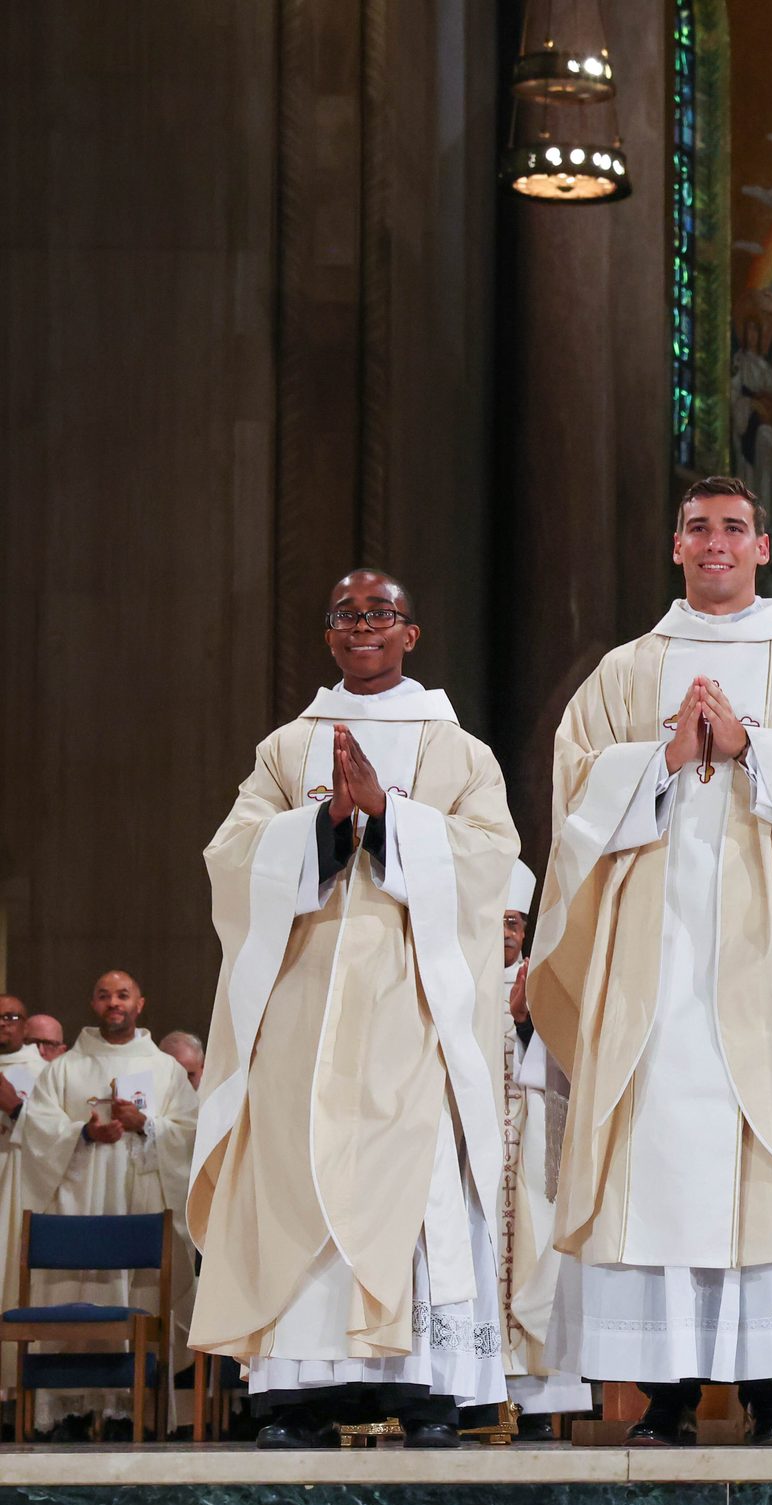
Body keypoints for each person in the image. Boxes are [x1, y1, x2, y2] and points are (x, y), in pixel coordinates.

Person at [530, 476, 772, 1446]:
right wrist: (653, 760)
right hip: (651, 967)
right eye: (698, 529)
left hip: (769, 959)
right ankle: (665, 1397)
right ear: (674, 547)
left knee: (768, 1156)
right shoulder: (622, 672)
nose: (716, 543)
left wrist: (754, 748)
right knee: (654, 1167)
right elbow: (573, 792)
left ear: (764, 547)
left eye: (734, 528)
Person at [188, 570, 518, 1449]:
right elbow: (229, 859)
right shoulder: (286, 749)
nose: (363, 626)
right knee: (294, 1173)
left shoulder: (461, 752)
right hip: (299, 1001)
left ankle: (422, 1388)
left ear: (412, 632)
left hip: (413, 1006)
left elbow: (494, 864)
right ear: (329, 636)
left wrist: (390, 816)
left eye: (381, 613)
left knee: (412, 1184)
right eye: (347, 615)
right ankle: (296, 1391)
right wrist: (324, 825)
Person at [20, 971, 198, 1436]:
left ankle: (130, 1410)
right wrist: (82, 1131)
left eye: (123, 994)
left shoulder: (166, 1070)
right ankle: (70, 1411)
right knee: (75, 1293)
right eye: (104, 995)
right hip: (78, 1201)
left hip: (141, 1198)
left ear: (141, 1003)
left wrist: (146, 1123)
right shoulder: (63, 1069)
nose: (113, 1002)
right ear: (93, 1003)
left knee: (138, 1290)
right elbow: (36, 1130)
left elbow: (192, 1133)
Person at [499, 861, 591, 1439]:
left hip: (530, 1142)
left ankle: (532, 1403)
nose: (509, 931)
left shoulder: (543, 979)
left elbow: (565, 1063)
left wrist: (529, 1024)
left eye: (516, 921)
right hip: (473, 1148)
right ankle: (471, 1394)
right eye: (499, 920)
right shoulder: (449, 970)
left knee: (533, 1256)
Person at [0, 996, 42, 1398]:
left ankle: (14, 1393)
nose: (3, 1024)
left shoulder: (43, 1073)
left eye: (10, 1017)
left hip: (18, 1185)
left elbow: (57, 1140)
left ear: (25, 1024)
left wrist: (14, 1109)